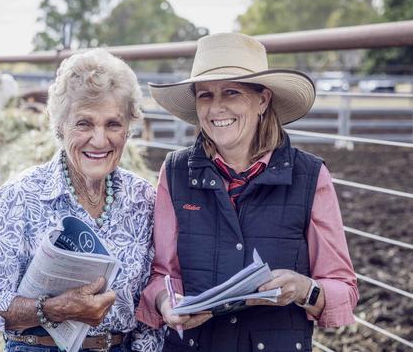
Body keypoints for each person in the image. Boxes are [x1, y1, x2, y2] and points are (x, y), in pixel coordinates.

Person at [135, 33, 359, 351]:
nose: (216, 108)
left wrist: (304, 289)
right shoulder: (174, 172)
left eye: (231, 92)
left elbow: (342, 287)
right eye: (205, 95)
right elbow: (163, 274)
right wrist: (167, 303)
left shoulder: (310, 177)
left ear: (262, 100)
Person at [0, 49, 162, 351]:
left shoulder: (144, 198)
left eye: (113, 124)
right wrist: (54, 309)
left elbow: (150, 306)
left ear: (128, 128)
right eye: (84, 123)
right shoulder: (22, 194)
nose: (99, 140)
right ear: (59, 125)